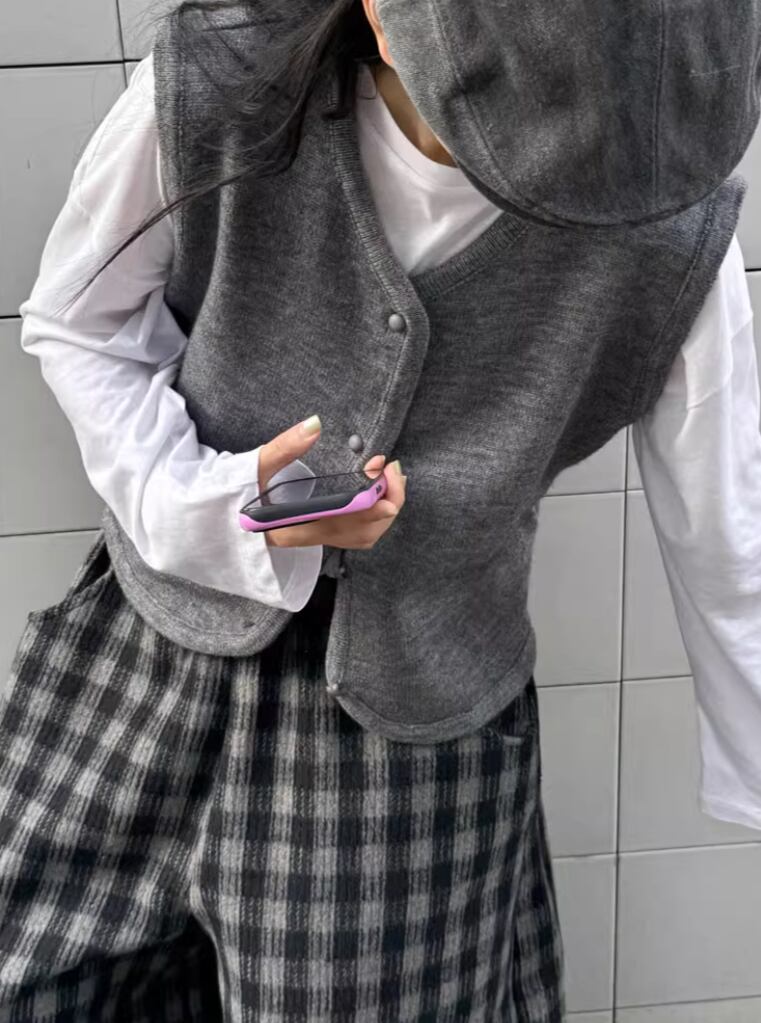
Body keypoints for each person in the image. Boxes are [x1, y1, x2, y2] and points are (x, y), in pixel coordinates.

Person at [2, 0, 760, 1019]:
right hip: (143, 665)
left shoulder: (660, 215)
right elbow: (77, 322)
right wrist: (201, 503)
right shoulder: (218, 88)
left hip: (413, 750)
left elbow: (730, 532)